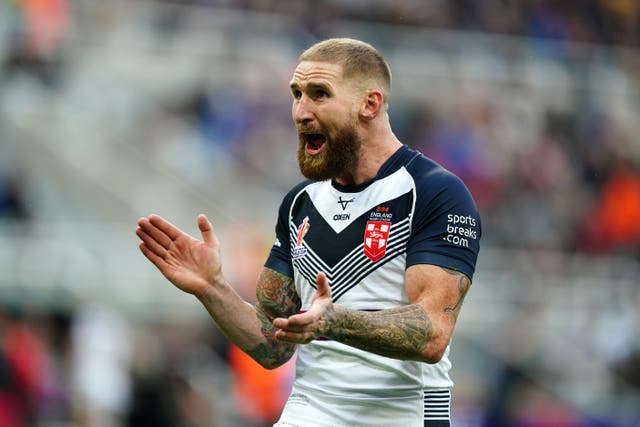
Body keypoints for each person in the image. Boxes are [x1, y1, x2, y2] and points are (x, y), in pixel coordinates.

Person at [135, 38, 481, 427]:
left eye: (319, 94)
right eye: (296, 94)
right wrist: (212, 287)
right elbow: (272, 345)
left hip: (404, 415)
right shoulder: (300, 203)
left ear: (370, 104)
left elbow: (434, 333)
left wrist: (334, 321)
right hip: (311, 411)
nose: (301, 111)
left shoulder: (434, 192)